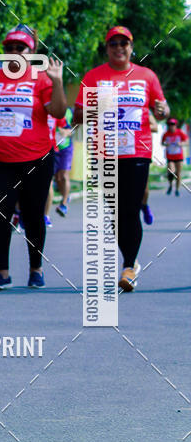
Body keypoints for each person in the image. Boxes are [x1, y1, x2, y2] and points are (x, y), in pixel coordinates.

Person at [0, 24, 66, 290]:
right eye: (9, 48)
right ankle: (2, 273)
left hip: (36, 160)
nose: (14, 52)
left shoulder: (41, 79)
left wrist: (58, 82)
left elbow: (58, 111)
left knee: (33, 216)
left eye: (21, 48)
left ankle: (36, 269)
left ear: (32, 52)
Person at [73, 25, 168, 292]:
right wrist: (98, 107)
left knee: (131, 208)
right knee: (115, 212)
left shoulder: (146, 76)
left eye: (123, 43)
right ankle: (132, 261)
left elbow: (161, 109)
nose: (119, 48)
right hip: (105, 152)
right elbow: (76, 116)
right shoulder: (93, 77)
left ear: (131, 47)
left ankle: (128, 267)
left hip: (137, 151)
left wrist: (162, 109)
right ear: (107, 48)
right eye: (113, 44)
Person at [141, 112, 158, 224]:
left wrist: (137, 127)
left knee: (144, 190)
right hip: (118, 154)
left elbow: (155, 127)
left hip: (140, 152)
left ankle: (144, 206)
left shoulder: (141, 105)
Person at [162, 117, 187, 196]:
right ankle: (170, 185)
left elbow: (186, 141)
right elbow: (162, 142)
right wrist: (166, 144)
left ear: (176, 125)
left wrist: (181, 144)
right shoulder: (166, 134)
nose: (171, 126)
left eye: (173, 124)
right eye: (169, 124)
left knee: (178, 174)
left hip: (179, 156)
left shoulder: (180, 132)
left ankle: (177, 189)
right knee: (171, 171)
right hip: (170, 156)